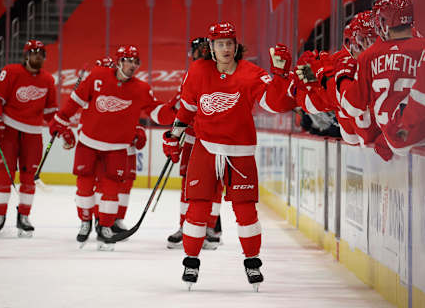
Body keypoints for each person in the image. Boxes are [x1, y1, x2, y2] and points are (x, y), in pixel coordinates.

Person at [162, 21, 294, 291]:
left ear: (236, 46)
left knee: (245, 210)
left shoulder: (252, 74)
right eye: (220, 44)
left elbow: (276, 104)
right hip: (205, 147)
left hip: (241, 151)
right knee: (197, 206)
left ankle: (253, 262)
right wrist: (173, 136)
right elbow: (186, 109)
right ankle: (191, 261)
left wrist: (280, 74)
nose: (225, 48)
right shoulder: (198, 71)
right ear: (211, 47)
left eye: (230, 43)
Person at [49, 45, 176, 250]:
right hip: (88, 143)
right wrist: (60, 119)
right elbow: (76, 100)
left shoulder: (141, 88)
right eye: (128, 60)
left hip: (117, 147)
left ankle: (105, 226)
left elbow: (158, 114)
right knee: (84, 187)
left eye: (136, 61)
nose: (133, 65)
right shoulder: (98, 75)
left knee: (111, 189)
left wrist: (175, 108)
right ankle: (85, 222)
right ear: (118, 61)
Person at [0, 39, 65, 238]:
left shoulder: (48, 80)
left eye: (41, 53)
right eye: (34, 52)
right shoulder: (11, 71)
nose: (38, 56)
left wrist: (58, 125)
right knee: (4, 173)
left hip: (33, 132)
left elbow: (49, 112)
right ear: (26, 55)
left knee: (29, 176)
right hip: (9, 129)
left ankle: (24, 216)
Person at [339, 0, 425, 159]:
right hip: (423, 137)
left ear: (385, 24)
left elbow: (351, 106)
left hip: (390, 139)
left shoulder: (369, 55)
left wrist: (341, 81)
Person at [166, 37, 223, 250]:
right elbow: (185, 106)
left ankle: (210, 228)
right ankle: (185, 227)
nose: (200, 53)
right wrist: (174, 131)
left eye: (204, 49)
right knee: (188, 186)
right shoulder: (192, 72)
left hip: (217, 140)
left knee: (216, 186)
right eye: (197, 50)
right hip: (192, 138)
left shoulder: (221, 72)